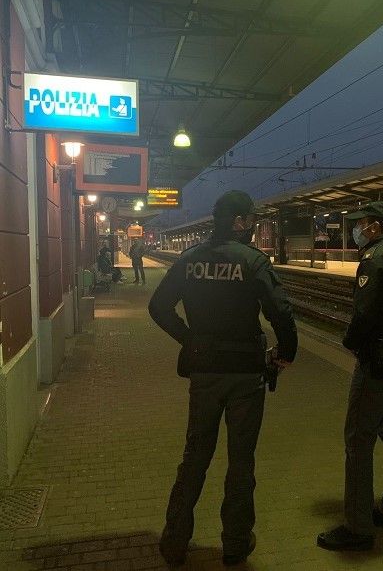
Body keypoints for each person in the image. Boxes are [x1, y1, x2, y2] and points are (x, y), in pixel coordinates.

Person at [148, 190, 297, 567]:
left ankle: (174, 541)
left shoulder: (190, 259)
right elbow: (281, 313)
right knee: (241, 461)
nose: (253, 227)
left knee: (194, 456)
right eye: (251, 220)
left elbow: (158, 307)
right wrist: (286, 352)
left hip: (205, 372)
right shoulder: (252, 261)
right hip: (246, 374)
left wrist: (189, 339)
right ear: (240, 222)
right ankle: (235, 543)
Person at [317, 201, 383, 552]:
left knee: (358, 439)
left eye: (360, 223)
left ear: (375, 227)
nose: (356, 229)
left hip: (379, 360)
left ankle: (359, 526)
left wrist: (350, 343)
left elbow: (363, 314)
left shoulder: (374, 260)